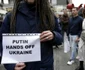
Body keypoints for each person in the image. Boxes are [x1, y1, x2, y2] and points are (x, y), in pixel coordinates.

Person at [0, 0, 62, 70]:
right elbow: (3, 43)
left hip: (44, 67)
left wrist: (54, 36)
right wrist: (11, 65)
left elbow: (60, 38)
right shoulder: (11, 17)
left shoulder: (49, 15)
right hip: (22, 67)